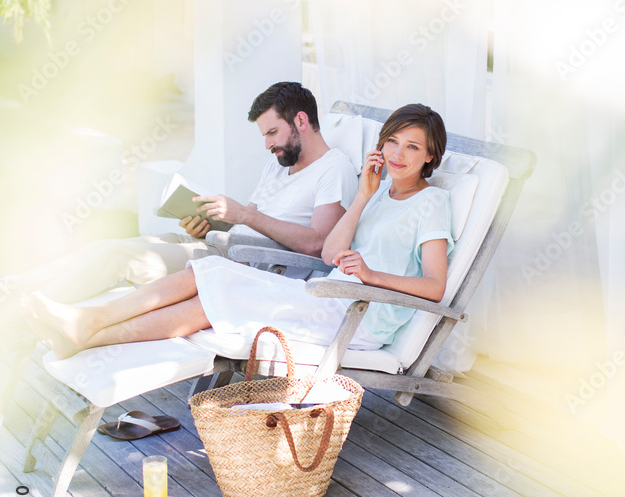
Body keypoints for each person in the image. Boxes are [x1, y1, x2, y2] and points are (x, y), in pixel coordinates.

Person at [22, 104, 455, 359]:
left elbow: (435, 287)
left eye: (412, 147)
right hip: (329, 294)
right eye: (392, 142)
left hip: (359, 318)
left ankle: (87, 329)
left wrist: (372, 276)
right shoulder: (375, 193)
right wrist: (362, 196)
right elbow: (329, 257)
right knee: (208, 273)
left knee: (217, 295)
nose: (398, 154)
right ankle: (86, 328)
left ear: (430, 156)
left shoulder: (432, 202)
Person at [2, 82, 357, 308]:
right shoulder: (280, 162)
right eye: (264, 135)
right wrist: (211, 224)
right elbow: (254, 221)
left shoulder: (333, 169)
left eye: (272, 132)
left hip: (246, 264)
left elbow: (317, 246)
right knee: (106, 245)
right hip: (223, 243)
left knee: (119, 256)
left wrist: (244, 216)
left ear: (300, 121)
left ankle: (28, 309)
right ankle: (16, 286)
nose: (267, 144)